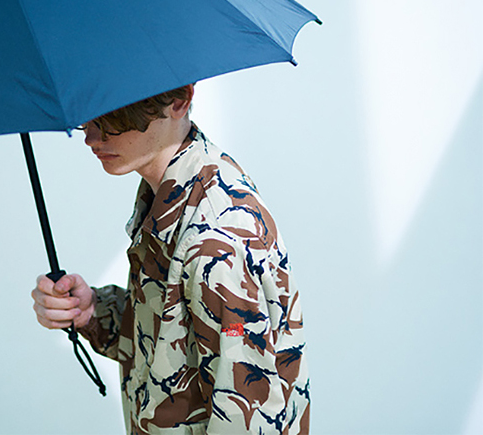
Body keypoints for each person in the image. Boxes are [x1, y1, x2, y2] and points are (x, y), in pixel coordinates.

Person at [31, 84, 310, 434]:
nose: (91, 137)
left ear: (179, 99)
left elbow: (250, 422)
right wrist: (92, 312)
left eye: (113, 116)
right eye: (88, 116)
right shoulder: (175, 190)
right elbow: (172, 344)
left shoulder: (213, 240)